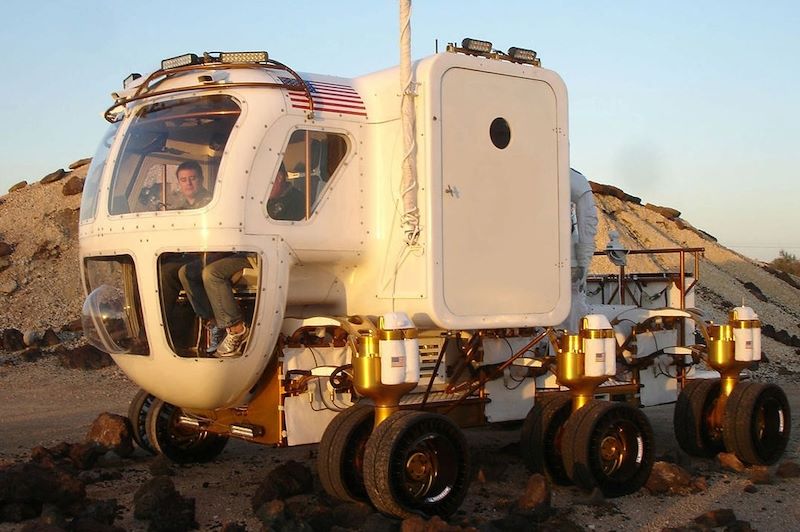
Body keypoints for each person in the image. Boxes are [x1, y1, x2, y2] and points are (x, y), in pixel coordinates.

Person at [561, 168, 598, 333]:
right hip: (567, 260)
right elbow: (588, 221)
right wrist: (584, 263)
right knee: (573, 304)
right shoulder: (572, 177)